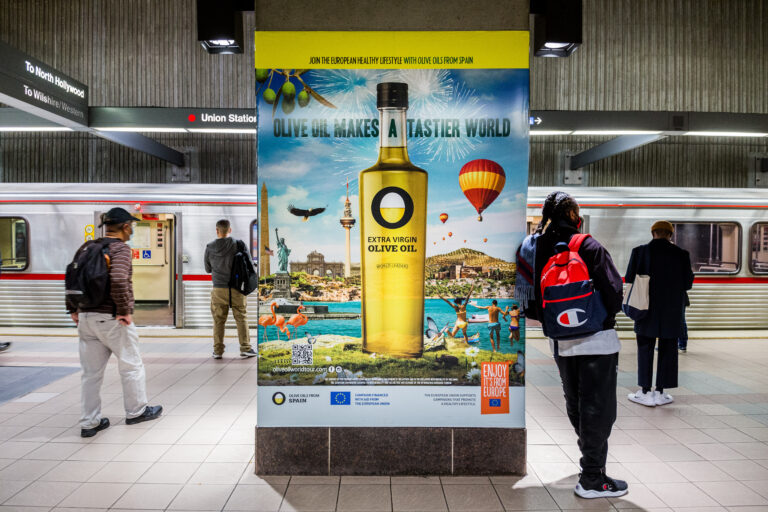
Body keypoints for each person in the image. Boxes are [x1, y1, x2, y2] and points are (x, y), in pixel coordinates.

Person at [522, 191, 627, 499]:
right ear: (572, 215)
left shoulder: (533, 247)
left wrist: (556, 321)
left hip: (560, 341)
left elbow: (527, 300)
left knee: (576, 403)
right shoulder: (588, 245)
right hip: (597, 340)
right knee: (599, 408)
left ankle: (590, 465)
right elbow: (614, 292)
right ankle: (593, 478)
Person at [66, 208, 162, 438]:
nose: (132, 231)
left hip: (86, 318)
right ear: (126, 226)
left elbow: (71, 276)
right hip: (110, 318)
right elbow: (119, 280)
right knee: (131, 365)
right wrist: (124, 311)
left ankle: (89, 423)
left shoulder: (87, 247)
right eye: (132, 226)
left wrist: (73, 309)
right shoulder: (120, 249)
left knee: (90, 374)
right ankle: (136, 411)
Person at [625, 221, 693, 407]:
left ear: (653, 232)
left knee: (645, 347)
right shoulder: (682, 254)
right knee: (668, 349)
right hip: (672, 310)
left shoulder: (639, 252)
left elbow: (629, 278)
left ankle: (645, 391)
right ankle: (661, 391)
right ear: (670, 235)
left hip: (645, 307)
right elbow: (688, 283)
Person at [204, 219, 257, 359]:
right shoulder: (238, 244)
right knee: (241, 318)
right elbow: (250, 264)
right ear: (230, 230)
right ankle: (245, 348)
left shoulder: (209, 246)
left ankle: (217, 351)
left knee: (218, 320)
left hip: (218, 290)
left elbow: (207, 269)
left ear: (217, 230)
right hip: (237, 289)